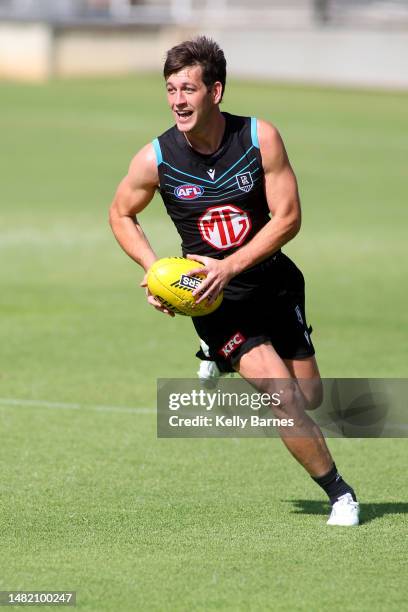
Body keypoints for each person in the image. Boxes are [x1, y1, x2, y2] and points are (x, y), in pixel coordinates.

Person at [109, 36, 359, 526]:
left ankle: (215, 361)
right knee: (283, 397)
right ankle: (341, 495)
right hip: (214, 301)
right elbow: (120, 214)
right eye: (170, 89)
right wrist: (155, 272)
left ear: (215, 91)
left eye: (188, 88)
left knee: (310, 396)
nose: (178, 99)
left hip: (274, 283)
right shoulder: (155, 158)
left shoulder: (260, 137)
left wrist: (230, 265)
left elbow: (288, 219)